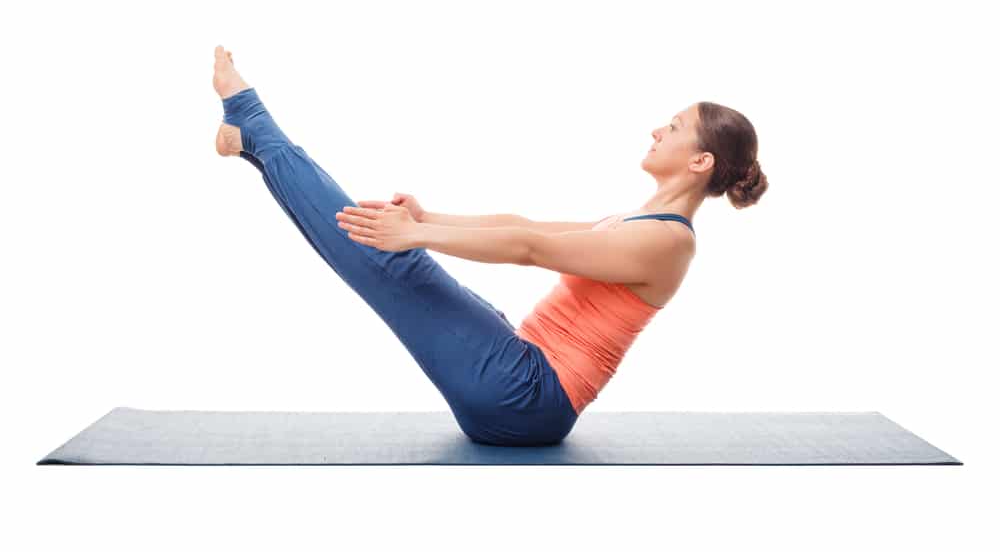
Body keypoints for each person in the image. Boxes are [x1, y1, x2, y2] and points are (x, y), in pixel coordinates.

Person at [212, 45, 768, 446]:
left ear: (701, 162)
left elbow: (527, 248)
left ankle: (254, 125)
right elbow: (526, 224)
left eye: (672, 128)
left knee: (391, 261)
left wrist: (419, 235)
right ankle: (252, 143)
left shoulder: (667, 242)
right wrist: (428, 217)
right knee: (389, 256)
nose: (656, 131)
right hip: (522, 369)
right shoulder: (643, 220)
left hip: (526, 398)